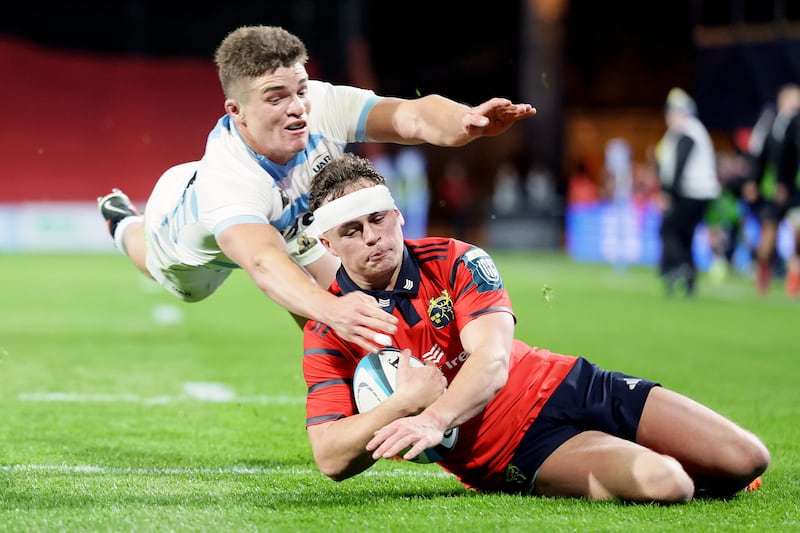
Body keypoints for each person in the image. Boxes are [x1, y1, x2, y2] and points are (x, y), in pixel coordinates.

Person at [301, 153, 769, 503]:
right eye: (351, 230)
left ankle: (676, 456)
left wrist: (433, 417)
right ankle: (650, 459)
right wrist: (404, 402)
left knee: (748, 458)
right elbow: (330, 455)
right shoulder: (329, 328)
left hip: (570, 383)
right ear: (327, 243)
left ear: (398, 214)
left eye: (378, 219)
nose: (372, 237)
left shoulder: (456, 259)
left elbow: (493, 359)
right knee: (668, 484)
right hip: (516, 452)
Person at [96, 25, 536, 353]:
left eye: (300, 90)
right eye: (275, 97)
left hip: (296, 227)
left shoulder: (318, 103)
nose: (297, 109)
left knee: (359, 312)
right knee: (159, 265)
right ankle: (122, 222)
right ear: (236, 111)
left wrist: (464, 122)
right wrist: (330, 311)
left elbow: (411, 115)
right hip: (185, 231)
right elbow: (264, 262)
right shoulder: (228, 182)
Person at [655, 88, 720, 296]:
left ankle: (679, 266)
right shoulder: (689, 131)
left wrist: (668, 193)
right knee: (685, 235)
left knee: (668, 229)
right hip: (697, 192)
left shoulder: (688, 131)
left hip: (692, 192)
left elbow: (679, 165)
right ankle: (689, 279)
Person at [742, 83, 800, 297]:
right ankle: (763, 271)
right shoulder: (768, 123)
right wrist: (753, 181)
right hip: (774, 190)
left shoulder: (797, 124)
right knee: (769, 232)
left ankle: (794, 277)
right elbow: (758, 154)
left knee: (797, 232)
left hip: (795, 190)